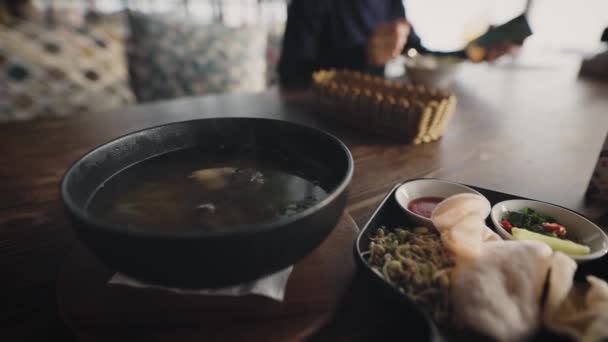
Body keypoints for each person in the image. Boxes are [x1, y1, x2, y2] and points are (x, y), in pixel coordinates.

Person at [278, 0, 517, 87]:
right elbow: (291, 74)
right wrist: (363, 55)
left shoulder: (391, 4)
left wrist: (474, 52)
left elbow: (420, 54)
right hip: (322, 117)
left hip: (377, 114)